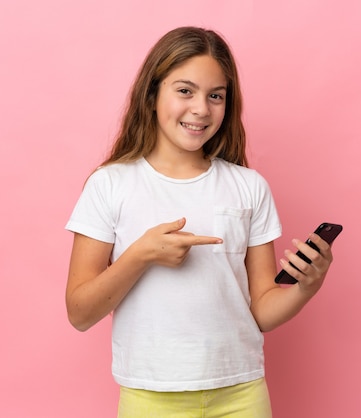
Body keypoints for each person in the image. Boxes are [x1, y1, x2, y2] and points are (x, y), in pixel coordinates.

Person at [65, 26, 335, 418]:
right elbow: (79, 312)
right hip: (151, 396)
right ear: (153, 93)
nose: (201, 109)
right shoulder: (110, 184)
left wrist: (307, 286)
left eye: (216, 96)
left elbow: (261, 310)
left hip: (241, 392)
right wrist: (140, 255)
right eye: (185, 91)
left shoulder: (248, 187)